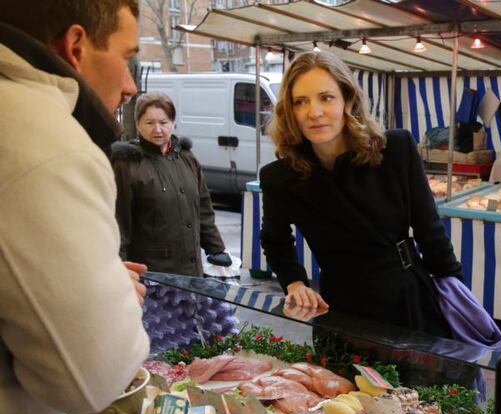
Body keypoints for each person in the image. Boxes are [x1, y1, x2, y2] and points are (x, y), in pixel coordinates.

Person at [0, 1, 150, 414]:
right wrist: (114, 288)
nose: (129, 86)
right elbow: (92, 379)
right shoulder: (45, 140)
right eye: (127, 58)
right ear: (77, 45)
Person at [260, 50, 463, 337]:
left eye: (326, 98)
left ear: (348, 99)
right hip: (339, 310)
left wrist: (460, 303)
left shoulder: (395, 149)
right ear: (289, 111)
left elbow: (432, 236)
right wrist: (294, 283)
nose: (314, 112)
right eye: (300, 102)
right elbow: (274, 240)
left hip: (408, 305)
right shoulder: (279, 177)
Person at [111, 92, 232, 276]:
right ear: (137, 124)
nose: (157, 129)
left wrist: (215, 247)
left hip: (191, 272)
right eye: (149, 123)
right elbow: (119, 222)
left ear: (173, 123)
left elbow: (203, 206)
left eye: (164, 122)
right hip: (152, 276)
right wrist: (118, 266)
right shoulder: (127, 164)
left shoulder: (186, 157)